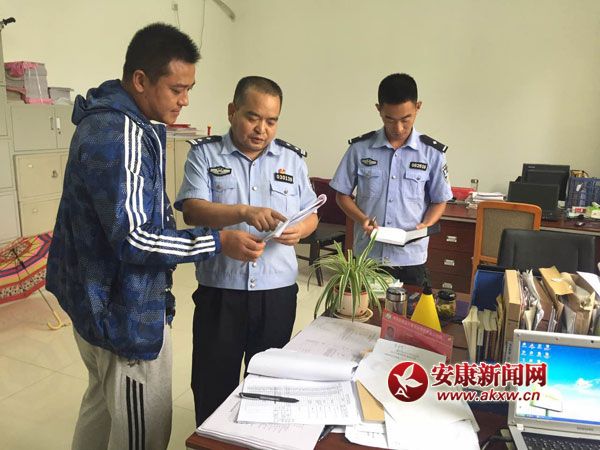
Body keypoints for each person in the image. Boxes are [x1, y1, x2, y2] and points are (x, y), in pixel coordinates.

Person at [46, 23, 263, 450]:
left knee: (101, 407)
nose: (184, 100)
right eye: (177, 89)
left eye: (189, 90)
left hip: (94, 302)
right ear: (141, 80)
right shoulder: (121, 133)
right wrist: (217, 241)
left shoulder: (112, 119)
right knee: (143, 431)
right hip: (122, 314)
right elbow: (135, 238)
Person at [174, 75, 319, 425]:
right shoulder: (204, 154)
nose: (261, 129)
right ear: (232, 111)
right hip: (221, 291)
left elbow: (311, 213)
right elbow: (193, 210)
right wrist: (243, 212)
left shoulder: (292, 159)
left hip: (276, 293)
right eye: (253, 117)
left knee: (267, 385)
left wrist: (300, 230)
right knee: (212, 382)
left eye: (271, 121)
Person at [330, 73, 452, 287]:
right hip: (368, 255)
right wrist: (362, 219)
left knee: (410, 309)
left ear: (418, 107)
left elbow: (439, 200)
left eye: (406, 119)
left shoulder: (432, 153)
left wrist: (426, 224)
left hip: (411, 258)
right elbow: (342, 195)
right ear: (379, 109)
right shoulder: (360, 149)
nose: (398, 128)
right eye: (390, 119)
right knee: (365, 309)